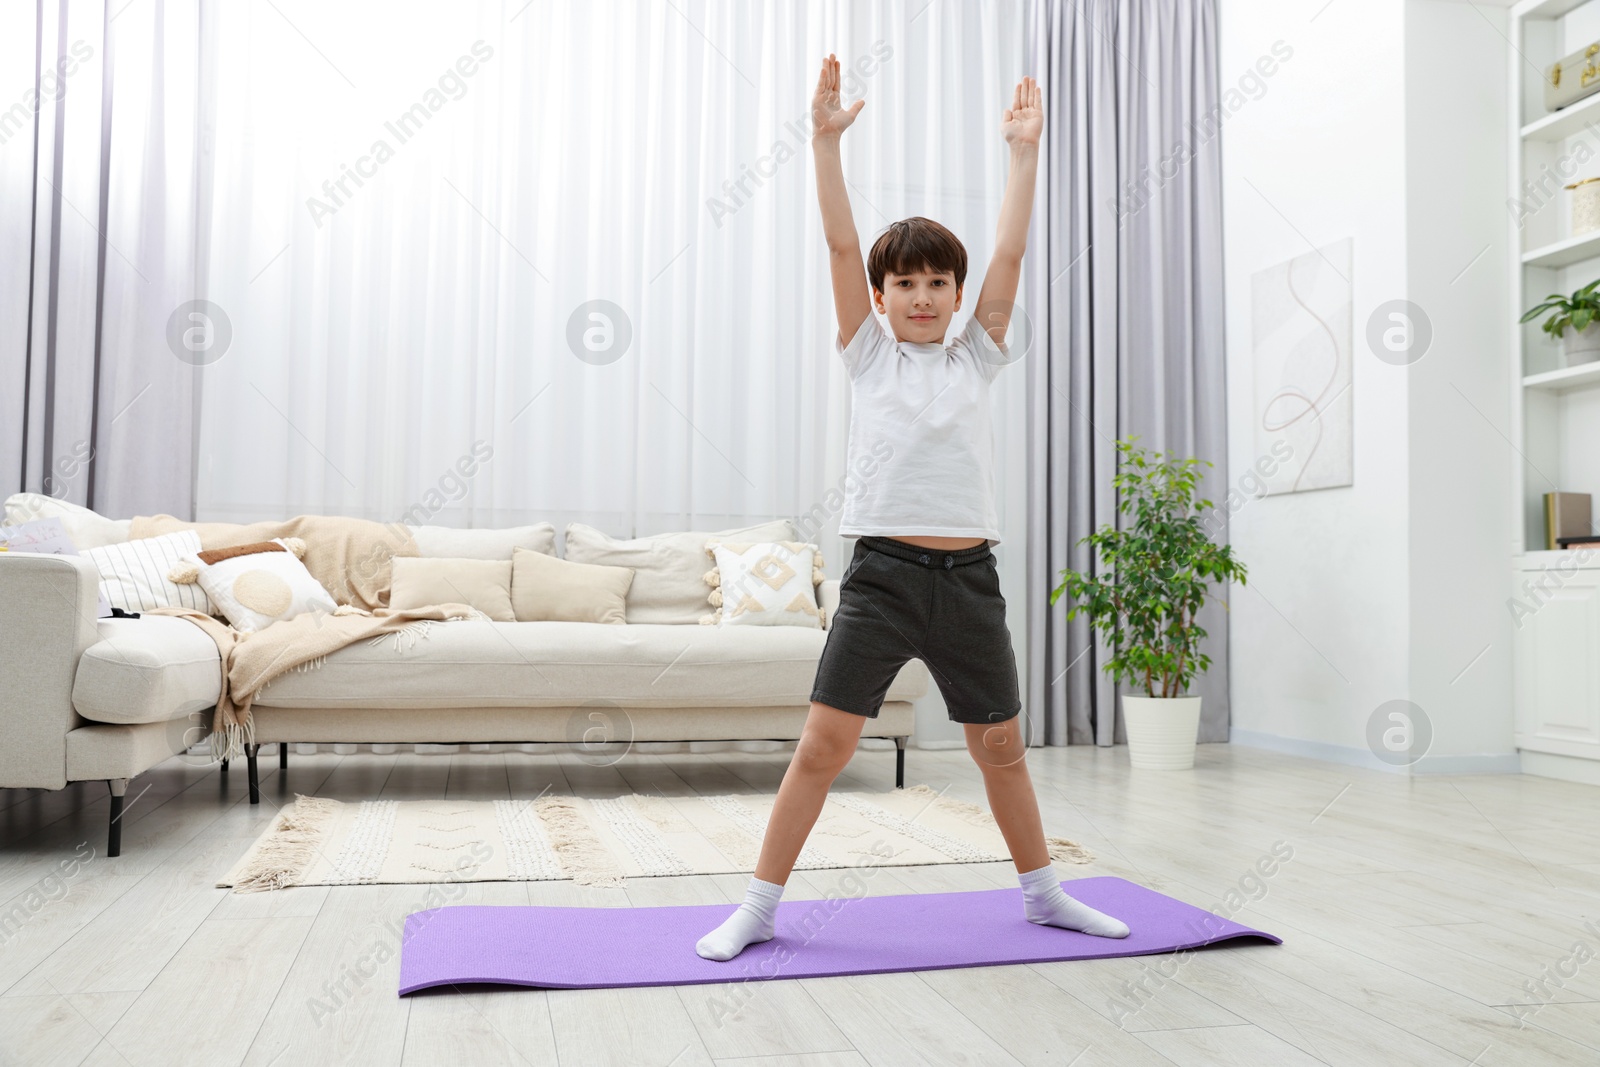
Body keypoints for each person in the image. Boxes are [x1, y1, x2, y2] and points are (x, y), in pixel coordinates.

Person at [696, 55, 1129, 963]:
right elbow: (841, 246)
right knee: (822, 745)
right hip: (883, 574)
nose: (923, 297)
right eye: (907, 286)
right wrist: (823, 145)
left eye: (939, 284)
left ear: (958, 296)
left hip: (969, 579)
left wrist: (1024, 156)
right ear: (884, 301)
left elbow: (1009, 252)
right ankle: (759, 907)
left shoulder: (978, 355)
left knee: (1000, 748)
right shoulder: (868, 355)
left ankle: (1046, 895)